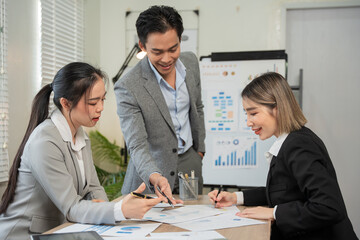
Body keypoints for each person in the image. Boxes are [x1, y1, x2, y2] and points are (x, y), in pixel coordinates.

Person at [0, 62, 164, 240]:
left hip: (58, 231)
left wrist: (106, 208)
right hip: (24, 235)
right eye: (93, 102)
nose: (100, 108)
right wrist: (120, 209)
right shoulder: (45, 142)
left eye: (103, 99)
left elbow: (93, 188)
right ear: (66, 103)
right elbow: (71, 207)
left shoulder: (80, 135)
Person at [208, 72, 358, 240]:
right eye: (246, 114)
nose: (248, 122)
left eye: (253, 113)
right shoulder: (291, 141)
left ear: (277, 108)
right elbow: (286, 191)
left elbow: (328, 207)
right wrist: (236, 197)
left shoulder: (299, 146)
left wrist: (274, 213)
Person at [114, 5, 205, 200]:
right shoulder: (128, 86)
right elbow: (136, 145)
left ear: (180, 39)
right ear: (142, 46)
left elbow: (197, 106)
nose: (166, 59)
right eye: (157, 52)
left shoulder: (190, 63)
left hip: (190, 163)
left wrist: (200, 150)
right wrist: (153, 175)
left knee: (195, 225)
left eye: (173, 49)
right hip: (150, 174)